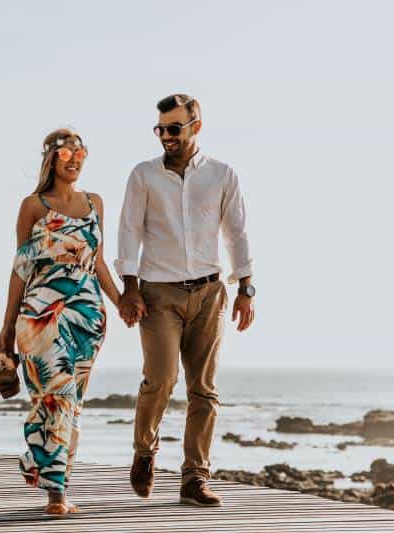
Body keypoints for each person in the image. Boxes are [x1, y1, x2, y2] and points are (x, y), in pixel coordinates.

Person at [116, 94, 255, 507]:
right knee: (160, 379)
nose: (166, 137)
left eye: (174, 128)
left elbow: (237, 233)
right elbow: (129, 231)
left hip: (211, 292)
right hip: (159, 292)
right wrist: (129, 286)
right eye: (160, 129)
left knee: (204, 390)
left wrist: (246, 286)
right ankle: (145, 450)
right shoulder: (143, 175)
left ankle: (195, 477)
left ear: (195, 126)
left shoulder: (221, 174)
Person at [0, 128, 121, 515]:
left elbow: (97, 261)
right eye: (67, 153)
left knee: (71, 403)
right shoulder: (33, 206)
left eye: (80, 152)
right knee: (57, 398)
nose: (75, 159)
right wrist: (5, 328)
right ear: (51, 158)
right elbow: (21, 268)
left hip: (88, 318)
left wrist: (120, 302)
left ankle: (37, 461)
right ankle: (57, 493)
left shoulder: (95, 202)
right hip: (40, 317)